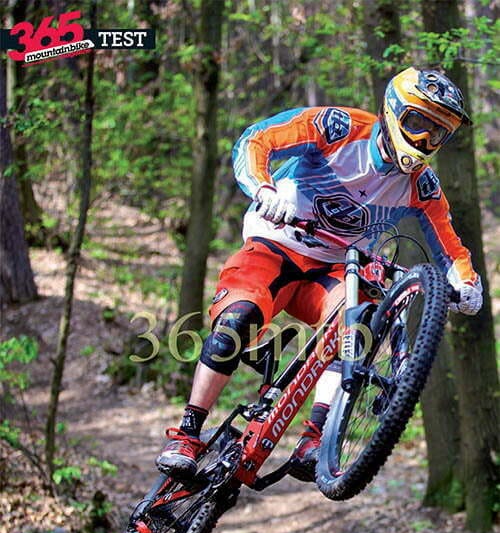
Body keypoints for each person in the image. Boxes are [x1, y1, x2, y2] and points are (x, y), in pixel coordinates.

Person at [156, 66, 483, 478]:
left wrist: (466, 283)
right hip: (274, 243)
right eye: (418, 123)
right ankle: (187, 433)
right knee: (236, 321)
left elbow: (450, 246)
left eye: (437, 133)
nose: (424, 139)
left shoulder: (421, 185)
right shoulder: (338, 128)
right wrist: (263, 189)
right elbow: (256, 140)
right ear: (393, 111)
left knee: (357, 323)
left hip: (336, 269)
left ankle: (316, 436)